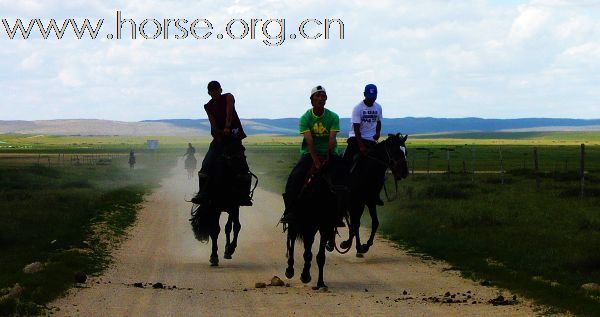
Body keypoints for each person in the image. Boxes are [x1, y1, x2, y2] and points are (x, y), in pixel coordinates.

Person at [280, 85, 343, 223]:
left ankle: (341, 212)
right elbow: (309, 140)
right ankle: (290, 211)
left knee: (343, 179)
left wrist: (328, 157)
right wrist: (315, 161)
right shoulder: (305, 118)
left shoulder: (333, 117)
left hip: (330, 152)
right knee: (295, 177)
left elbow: (332, 139)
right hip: (310, 153)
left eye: (323, 96)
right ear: (312, 100)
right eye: (317, 96)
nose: (321, 98)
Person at [191, 81, 251, 206]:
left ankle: (245, 195)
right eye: (212, 91)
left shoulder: (229, 97)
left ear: (220, 90)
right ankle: (202, 193)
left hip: (234, 136)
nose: (214, 93)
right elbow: (212, 123)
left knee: (242, 164)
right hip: (219, 138)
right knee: (206, 163)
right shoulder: (208, 106)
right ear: (209, 93)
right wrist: (219, 134)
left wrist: (227, 127)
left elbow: (229, 113)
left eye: (216, 90)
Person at [342, 83, 384, 205]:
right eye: (370, 96)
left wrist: (377, 133)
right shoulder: (358, 108)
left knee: (380, 165)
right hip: (356, 139)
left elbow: (379, 121)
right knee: (346, 162)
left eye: (374, 96)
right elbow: (356, 128)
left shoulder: (378, 107)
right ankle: (342, 186)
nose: (372, 99)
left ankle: (375, 194)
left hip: (371, 140)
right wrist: (360, 146)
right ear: (364, 94)